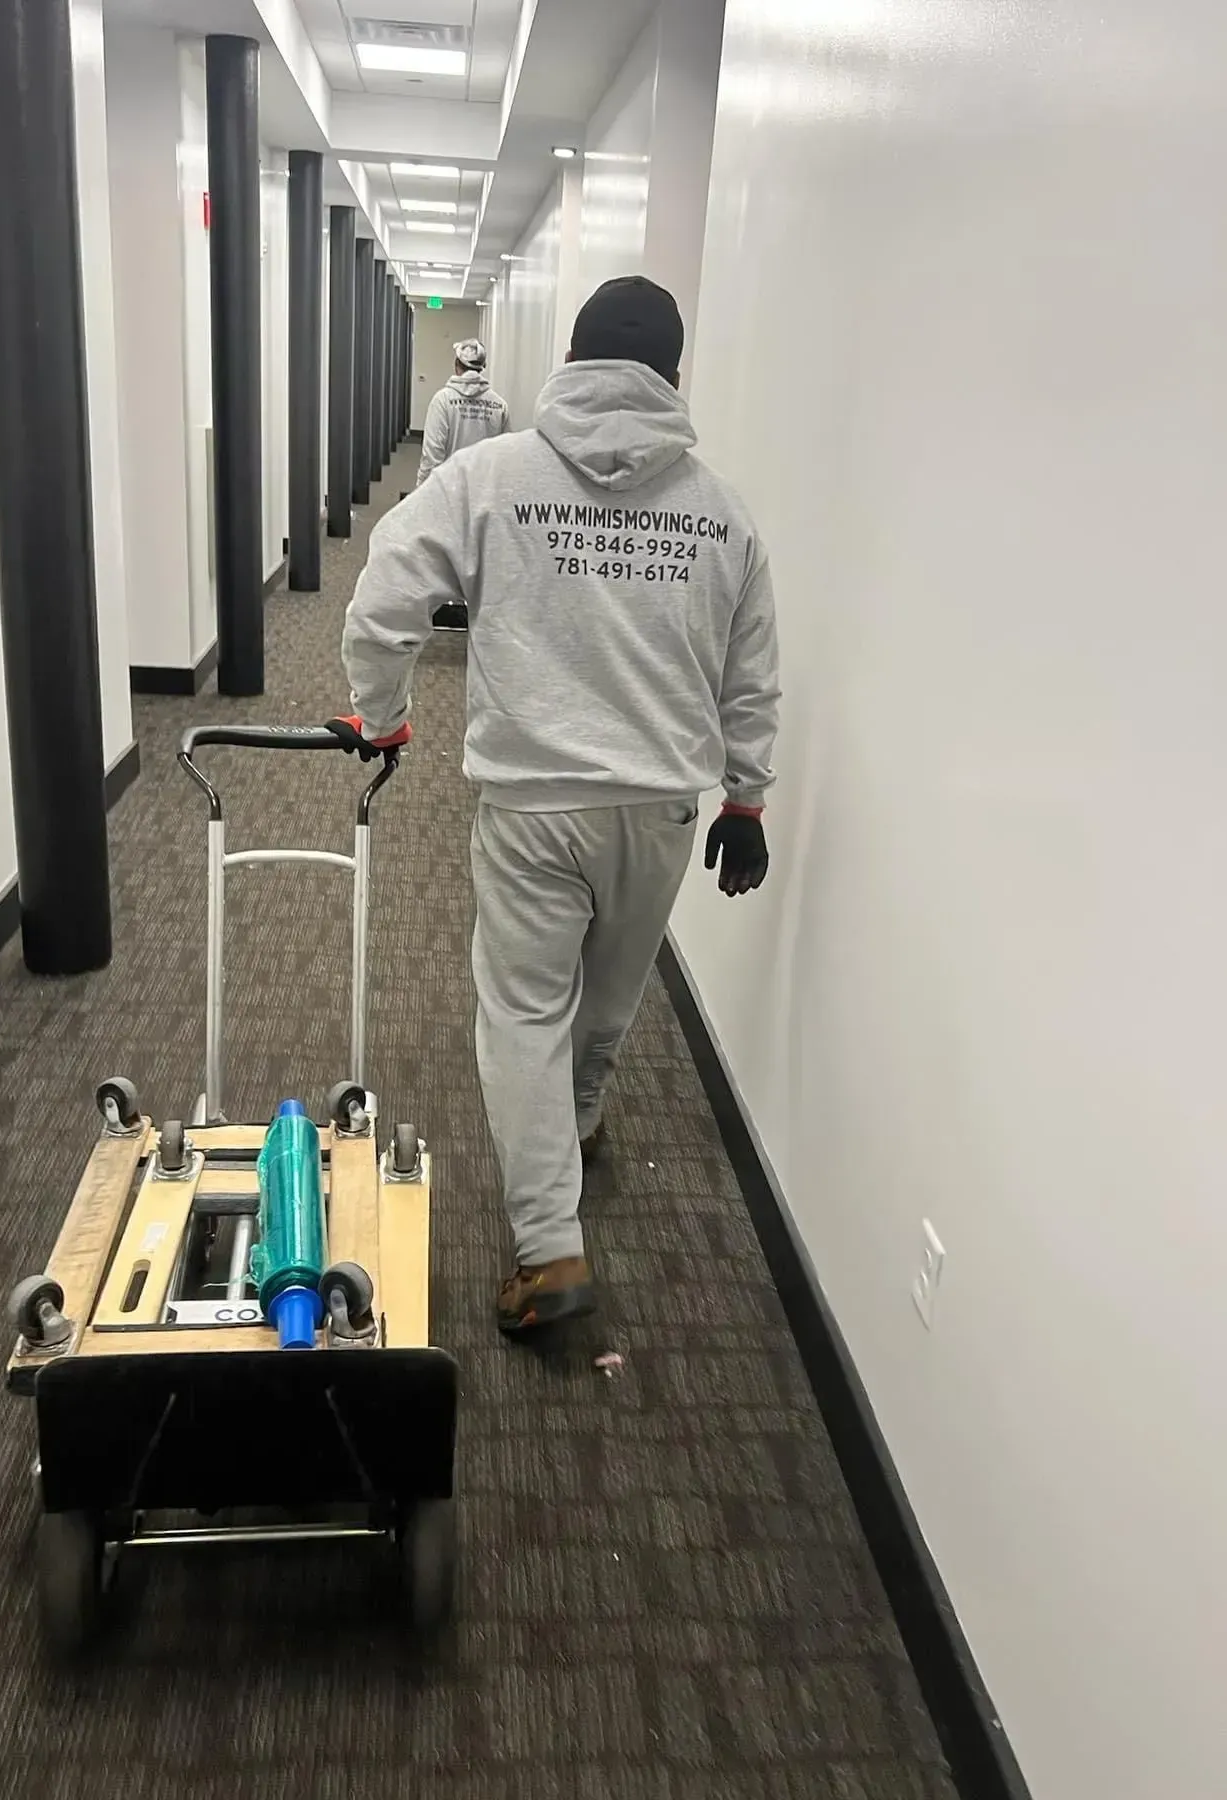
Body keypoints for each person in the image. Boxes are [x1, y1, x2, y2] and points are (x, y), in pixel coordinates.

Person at [330, 275, 780, 1337]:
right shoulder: (723, 515)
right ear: (674, 377)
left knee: (526, 1012)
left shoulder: (491, 478)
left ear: (572, 360)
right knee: (610, 996)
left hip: (534, 804)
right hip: (663, 807)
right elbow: (751, 674)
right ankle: (574, 1125)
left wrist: (382, 712)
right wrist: (748, 798)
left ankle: (549, 1251)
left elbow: (383, 595)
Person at [416, 338, 509, 487]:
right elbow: (503, 456)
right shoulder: (499, 405)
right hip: (484, 492)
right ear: (483, 367)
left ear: (456, 365)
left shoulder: (443, 400)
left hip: (448, 491)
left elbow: (432, 456)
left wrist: (421, 493)